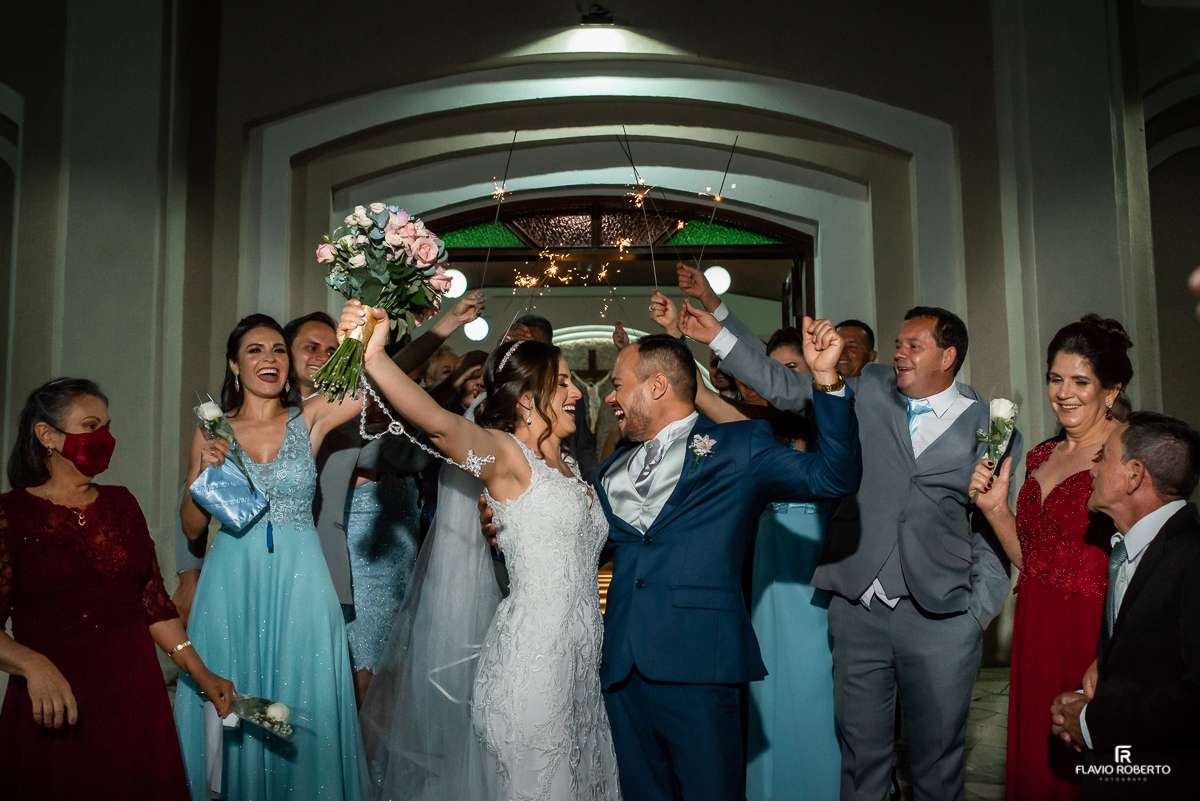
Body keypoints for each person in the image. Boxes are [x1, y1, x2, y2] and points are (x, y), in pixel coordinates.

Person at [682, 300, 1019, 801]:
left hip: (941, 617)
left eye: (913, 345)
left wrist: (978, 613)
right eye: (899, 343)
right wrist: (719, 336)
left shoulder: (987, 424)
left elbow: (995, 527)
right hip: (858, 607)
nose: (899, 353)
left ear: (948, 357)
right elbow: (787, 388)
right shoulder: (869, 388)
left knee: (938, 762)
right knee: (861, 760)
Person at [342, 299, 619, 800]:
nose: (576, 391)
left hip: (579, 666)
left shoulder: (572, 470)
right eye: (562, 382)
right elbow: (442, 425)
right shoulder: (506, 454)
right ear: (529, 399)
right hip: (533, 664)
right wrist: (375, 357)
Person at [0, 378, 234, 801]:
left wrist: (202, 673)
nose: (104, 438)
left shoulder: (123, 502)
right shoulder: (9, 515)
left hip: (134, 695)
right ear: (47, 436)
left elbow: (154, 605)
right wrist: (33, 664)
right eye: (91, 426)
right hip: (58, 703)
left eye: (107, 427)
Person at [173, 314, 371, 800]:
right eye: (255, 350)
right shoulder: (211, 428)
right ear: (234, 365)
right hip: (231, 580)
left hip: (301, 579)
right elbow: (192, 529)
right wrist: (203, 472)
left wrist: (368, 328)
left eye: (279, 350)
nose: (270, 359)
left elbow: (374, 385)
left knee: (307, 695)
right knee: (235, 698)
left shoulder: (311, 416)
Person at [649, 296, 837, 801]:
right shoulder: (756, 433)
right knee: (770, 688)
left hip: (821, 574)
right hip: (769, 570)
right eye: (774, 370)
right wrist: (677, 337)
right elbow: (706, 398)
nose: (780, 380)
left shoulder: (833, 428)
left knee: (821, 690)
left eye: (793, 369)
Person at [970, 315, 1131, 801]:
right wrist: (996, 509)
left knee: (1093, 761)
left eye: (1080, 381)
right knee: (1041, 760)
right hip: (1037, 621)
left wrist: (1112, 653)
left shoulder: (1129, 453)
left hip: (1098, 629)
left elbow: (1147, 561)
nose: (1064, 393)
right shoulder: (1040, 456)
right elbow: (1033, 561)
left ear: (1111, 389)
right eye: (1055, 379)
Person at [1050, 412, 1200, 800]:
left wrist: (1090, 720)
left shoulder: (1192, 557)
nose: (1093, 467)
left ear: (1134, 475)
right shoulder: (1124, 547)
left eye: (1104, 456)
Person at [505, 314, 602, 482]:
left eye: (537, 348)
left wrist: (595, 488)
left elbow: (582, 446)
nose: (532, 356)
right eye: (525, 349)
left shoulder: (570, 396)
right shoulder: (506, 393)